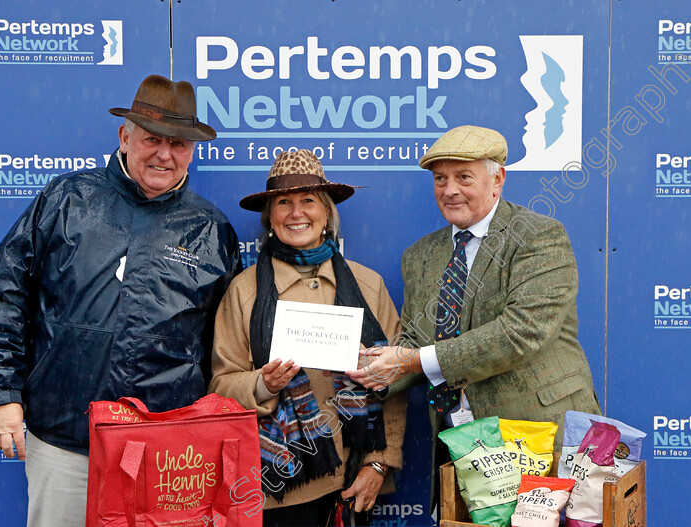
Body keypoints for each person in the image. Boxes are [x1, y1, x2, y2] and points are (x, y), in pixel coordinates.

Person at [0, 75, 242, 527]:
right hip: (65, 441)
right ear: (125, 136)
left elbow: (226, 342)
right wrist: (0, 394)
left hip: (167, 451)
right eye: (152, 139)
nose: (164, 154)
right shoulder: (66, 200)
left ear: (192, 150)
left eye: (178, 144)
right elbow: (2, 296)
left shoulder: (211, 229)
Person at [347, 125, 601, 506]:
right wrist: (376, 369)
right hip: (459, 445)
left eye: (464, 177)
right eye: (440, 179)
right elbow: (417, 343)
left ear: (497, 179)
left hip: (539, 433)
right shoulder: (419, 256)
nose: (450, 189)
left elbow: (521, 333)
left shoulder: (538, 236)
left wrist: (409, 360)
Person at [210, 149, 406, 527]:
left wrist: (379, 463)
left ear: (327, 212)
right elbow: (220, 388)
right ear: (270, 217)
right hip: (274, 489)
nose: (296, 212)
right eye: (284, 202)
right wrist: (262, 384)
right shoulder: (244, 291)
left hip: (350, 484)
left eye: (308, 201)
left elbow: (396, 383)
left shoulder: (368, 286)